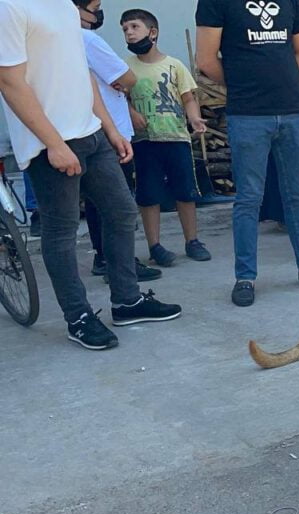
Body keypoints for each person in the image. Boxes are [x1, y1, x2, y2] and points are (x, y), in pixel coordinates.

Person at [0, 0, 181, 349]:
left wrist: (110, 128)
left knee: (121, 212)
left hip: (90, 132)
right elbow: (10, 82)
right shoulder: (11, 7)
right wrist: (53, 143)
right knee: (62, 231)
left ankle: (127, 302)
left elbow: (80, 72)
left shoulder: (65, 8)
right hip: (50, 141)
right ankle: (78, 317)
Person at [197, 0, 299, 307]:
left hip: (294, 111)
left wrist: (277, 81)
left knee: (297, 195)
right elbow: (206, 60)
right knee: (249, 198)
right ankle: (245, 277)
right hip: (249, 113)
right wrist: (246, 82)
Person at [72, 0, 161, 282]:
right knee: (118, 205)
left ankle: (104, 257)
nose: (98, 12)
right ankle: (120, 263)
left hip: (94, 126)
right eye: (95, 5)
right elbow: (128, 77)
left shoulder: (63, 40)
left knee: (99, 202)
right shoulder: (87, 38)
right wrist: (123, 79)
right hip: (113, 131)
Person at [120, 9, 211, 268]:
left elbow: (188, 97)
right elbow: (119, 98)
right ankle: (155, 246)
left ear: (153, 32)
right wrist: (132, 113)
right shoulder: (125, 67)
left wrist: (194, 119)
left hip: (176, 138)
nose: (129, 33)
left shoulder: (174, 65)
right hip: (144, 141)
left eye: (134, 27)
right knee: (148, 194)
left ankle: (192, 240)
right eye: (125, 29)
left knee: (185, 191)